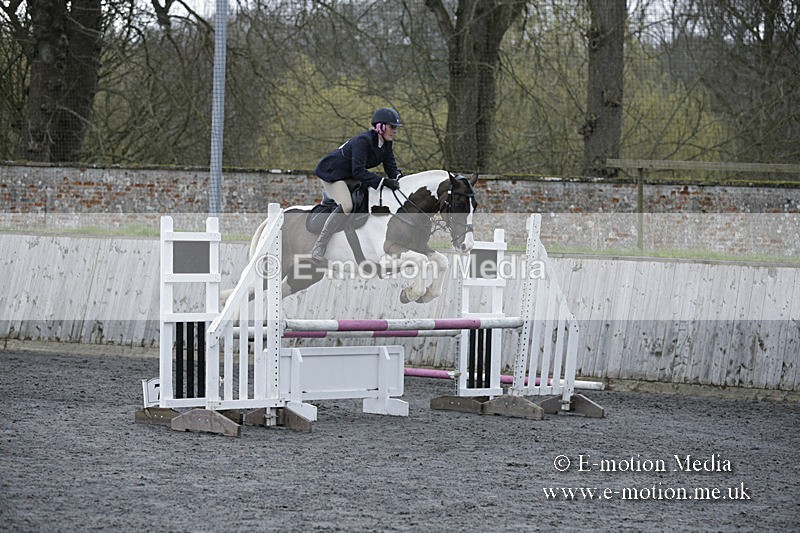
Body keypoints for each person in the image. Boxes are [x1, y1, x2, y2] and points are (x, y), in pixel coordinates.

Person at [309, 107, 404, 265]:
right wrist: (383, 181)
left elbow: (392, 169)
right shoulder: (363, 141)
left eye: (396, 128)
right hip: (333, 174)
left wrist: (401, 180)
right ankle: (319, 246)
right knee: (347, 206)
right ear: (380, 127)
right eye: (392, 127)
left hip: (350, 176)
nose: (395, 131)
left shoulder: (386, 145)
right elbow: (359, 171)